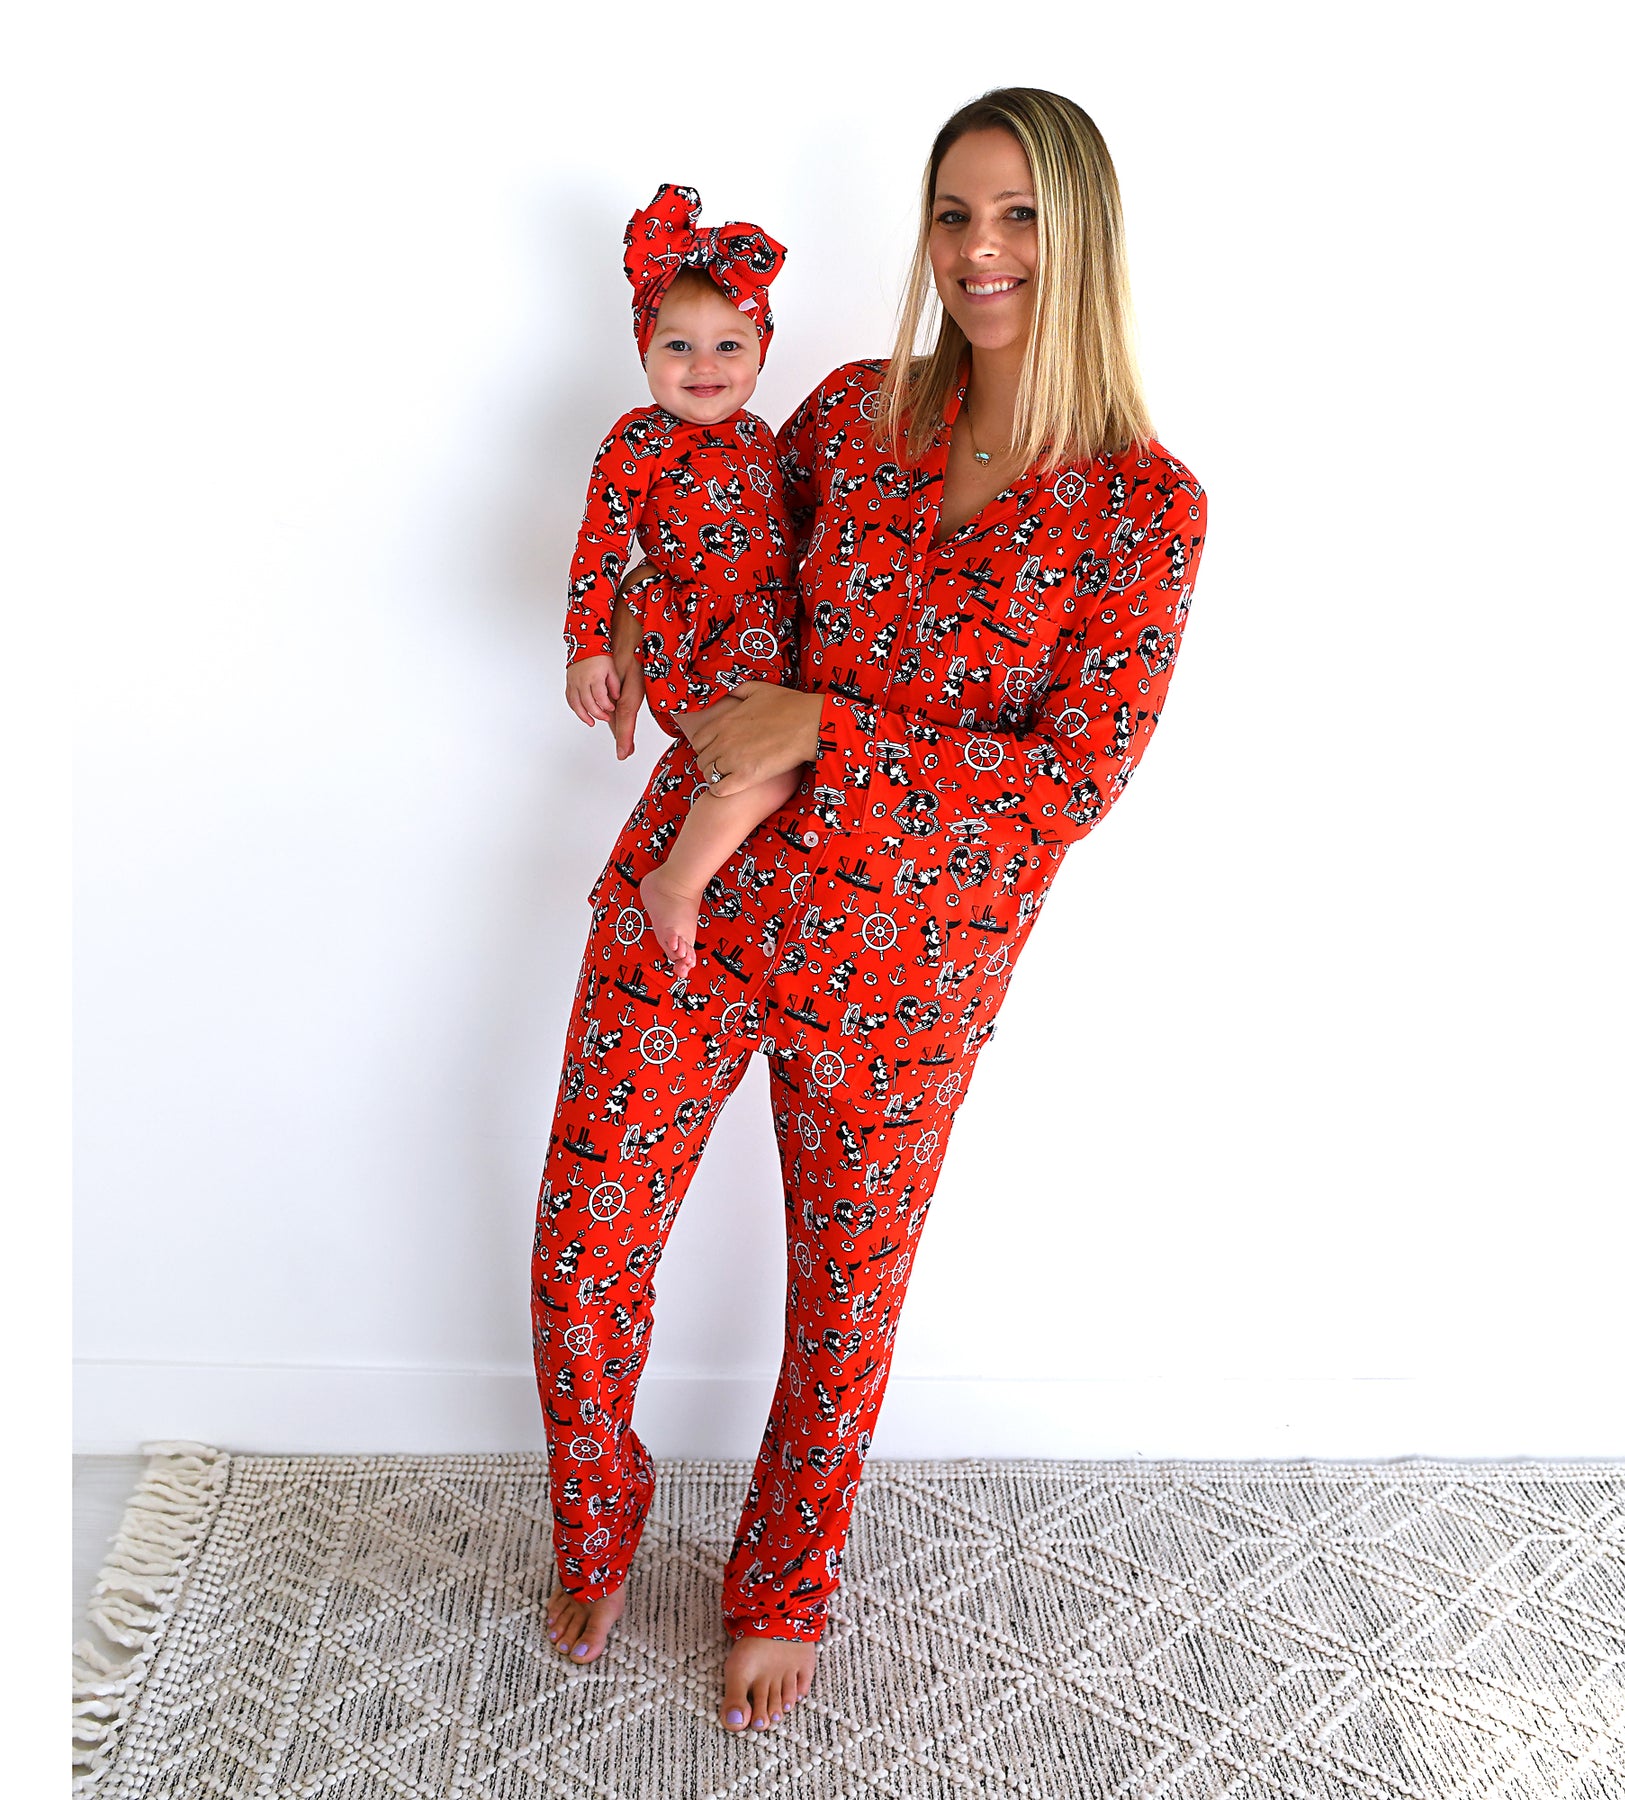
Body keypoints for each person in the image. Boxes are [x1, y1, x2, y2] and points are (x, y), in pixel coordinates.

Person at [531, 87, 1209, 1737]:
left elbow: (1069, 784)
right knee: (581, 1264)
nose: (980, 250)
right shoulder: (848, 414)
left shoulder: (1145, 508)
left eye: (1019, 214)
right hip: (695, 902)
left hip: (904, 982)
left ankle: (783, 1583)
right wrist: (612, 625)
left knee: (844, 1308)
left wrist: (827, 727)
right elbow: (703, 537)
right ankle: (599, 1518)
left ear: (1084, 233)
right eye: (954, 213)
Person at [563, 182, 802, 977]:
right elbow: (599, 547)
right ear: (644, 353)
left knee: (782, 767)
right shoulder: (636, 441)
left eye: (729, 346)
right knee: (763, 770)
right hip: (692, 637)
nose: (705, 366)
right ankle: (676, 883)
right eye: (678, 347)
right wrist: (587, 647)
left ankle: (706, 883)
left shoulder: (761, 436)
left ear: (760, 352)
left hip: (766, 641)